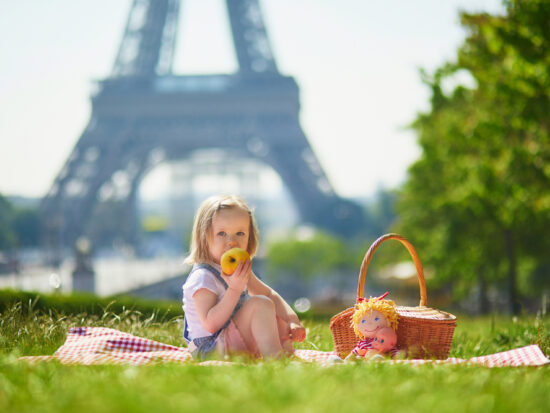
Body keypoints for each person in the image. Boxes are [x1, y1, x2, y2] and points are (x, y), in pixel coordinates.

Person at [182, 195, 306, 359]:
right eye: (221, 233)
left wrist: (291, 319)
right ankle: (276, 361)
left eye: (240, 233)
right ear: (204, 238)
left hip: (232, 341)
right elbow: (211, 324)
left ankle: (286, 354)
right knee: (261, 305)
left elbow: (269, 294)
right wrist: (234, 290)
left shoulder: (239, 268)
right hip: (210, 349)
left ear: (250, 237)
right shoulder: (203, 277)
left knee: (272, 306)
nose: (232, 241)